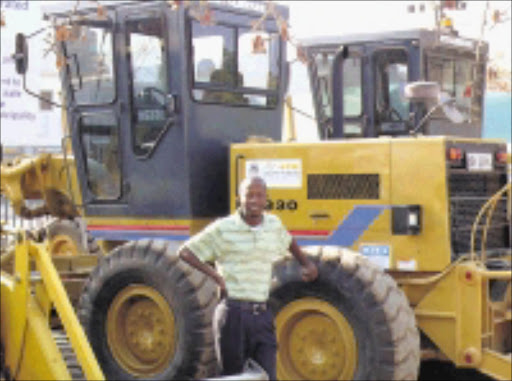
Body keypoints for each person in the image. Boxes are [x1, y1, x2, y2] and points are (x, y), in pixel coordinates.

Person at [178, 176, 318, 380]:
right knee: (235, 377)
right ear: (239, 199)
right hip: (233, 315)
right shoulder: (223, 228)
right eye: (249, 195)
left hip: (262, 316)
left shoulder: (273, 224)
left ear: (265, 199)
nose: (254, 200)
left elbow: (288, 241)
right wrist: (216, 277)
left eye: (259, 195)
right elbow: (185, 252)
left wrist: (306, 263)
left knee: (266, 376)